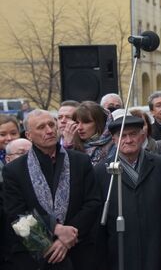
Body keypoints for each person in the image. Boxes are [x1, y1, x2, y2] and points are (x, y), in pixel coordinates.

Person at [2, 110, 100, 269]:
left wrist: (66, 240)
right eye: (41, 127)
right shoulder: (14, 170)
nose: (49, 130)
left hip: (78, 250)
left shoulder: (80, 161)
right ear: (29, 135)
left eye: (51, 125)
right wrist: (51, 236)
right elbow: (16, 213)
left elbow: (92, 203)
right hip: (34, 255)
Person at [95, 109, 161, 270]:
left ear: (142, 137)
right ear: (114, 140)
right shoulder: (102, 171)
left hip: (157, 250)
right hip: (119, 251)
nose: (128, 140)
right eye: (123, 135)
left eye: (133, 134)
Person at [69, 101, 114, 166]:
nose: (79, 127)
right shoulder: (72, 145)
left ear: (100, 123)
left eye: (86, 122)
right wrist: (68, 145)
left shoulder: (115, 146)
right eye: (77, 122)